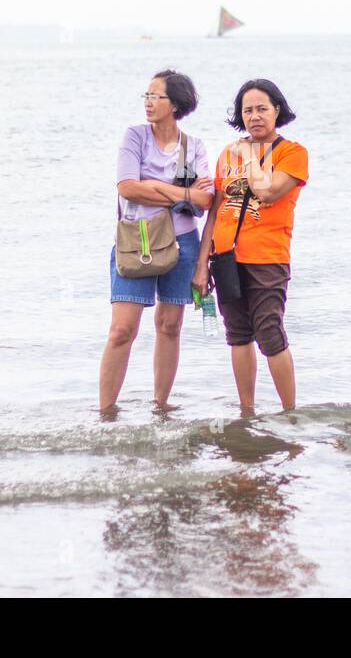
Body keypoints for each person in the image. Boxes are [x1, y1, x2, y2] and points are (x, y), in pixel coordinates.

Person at [99, 70, 213, 412]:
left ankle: (161, 407)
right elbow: (127, 187)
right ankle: (106, 413)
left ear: (175, 104)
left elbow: (205, 201)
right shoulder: (134, 137)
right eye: (145, 96)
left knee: (169, 326)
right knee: (122, 329)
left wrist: (156, 188)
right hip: (137, 240)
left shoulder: (193, 147)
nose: (148, 103)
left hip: (183, 243)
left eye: (156, 97)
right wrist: (181, 193)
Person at [192, 79, 308, 412]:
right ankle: (247, 412)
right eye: (247, 110)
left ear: (277, 110)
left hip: (267, 258)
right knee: (238, 334)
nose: (254, 116)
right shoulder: (228, 152)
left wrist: (248, 156)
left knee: (270, 332)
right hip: (226, 257)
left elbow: (269, 191)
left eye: (261, 109)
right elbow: (213, 211)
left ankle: (290, 413)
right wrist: (202, 264)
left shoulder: (292, 152)